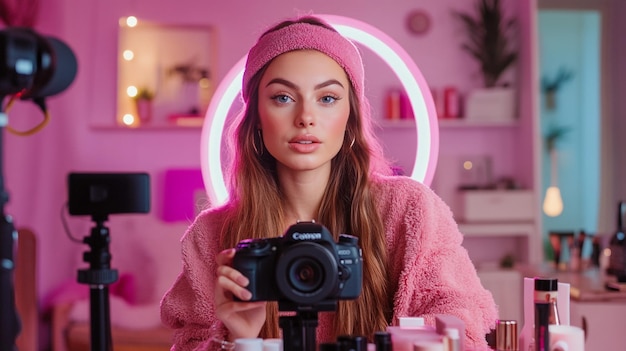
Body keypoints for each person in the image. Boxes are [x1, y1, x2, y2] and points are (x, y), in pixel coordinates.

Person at [160, 14, 498, 351]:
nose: (306, 117)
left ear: (350, 117)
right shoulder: (213, 236)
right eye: (283, 97)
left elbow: (461, 329)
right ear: (257, 118)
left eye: (327, 98)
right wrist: (236, 337)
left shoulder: (410, 212)